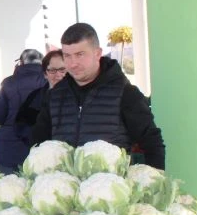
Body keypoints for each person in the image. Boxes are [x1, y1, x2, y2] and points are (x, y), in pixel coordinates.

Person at [32, 23, 165, 169]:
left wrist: (155, 178)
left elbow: (152, 143)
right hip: (64, 182)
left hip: (112, 182)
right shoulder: (54, 96)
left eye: (80, 54)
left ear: (97, 53)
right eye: (67, 56)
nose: (73, 63)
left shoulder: (125, 93)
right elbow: (38, 144)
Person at [0, 49, 48, 173]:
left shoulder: (9, 83)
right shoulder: (49, 81)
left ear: (20, 62)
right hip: (42, 147)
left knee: (10, 183)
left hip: (11, 148)